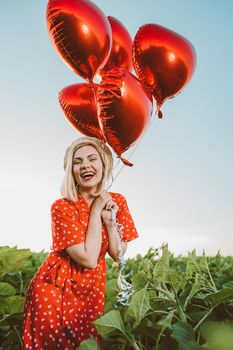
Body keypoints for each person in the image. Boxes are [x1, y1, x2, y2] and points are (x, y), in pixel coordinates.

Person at [22, 136, 139, 349]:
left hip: (92, 291)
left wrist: (109, 221)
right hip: (55, 289)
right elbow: (87, 259)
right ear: (72, 171)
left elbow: (117, 253)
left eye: (92, 159)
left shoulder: (117, 201)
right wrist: (95, 212)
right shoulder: (62, 207)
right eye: (78, 161)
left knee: (86, 344)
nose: (85, 165)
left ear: (104, 165)